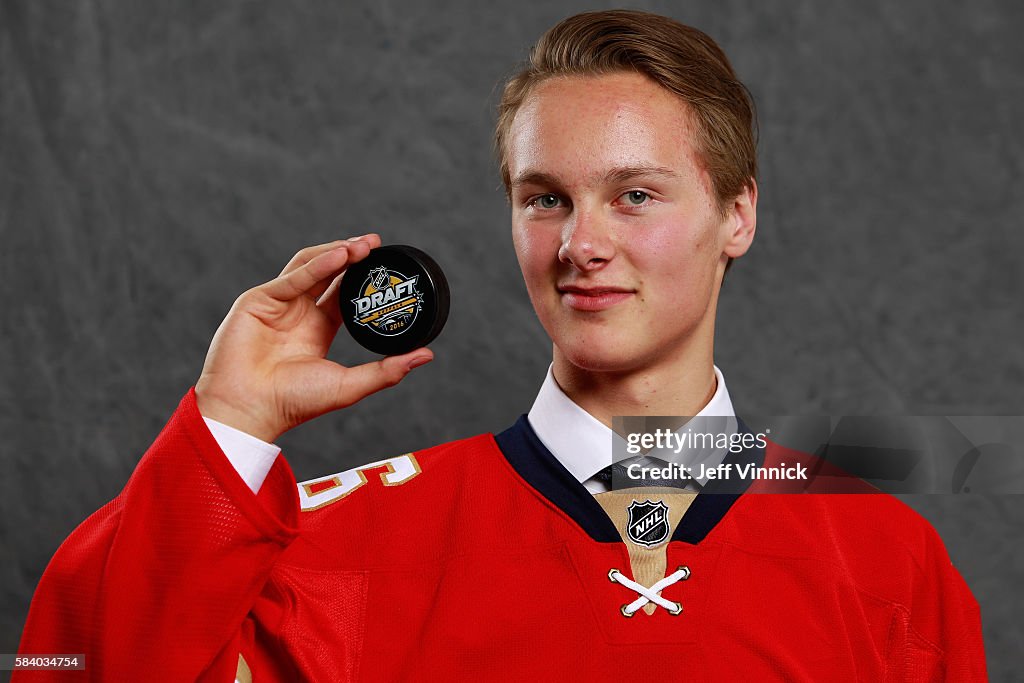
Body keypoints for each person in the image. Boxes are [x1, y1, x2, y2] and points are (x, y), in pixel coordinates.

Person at [15, 10, 986, 681]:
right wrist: (229, 429)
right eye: (544, 198)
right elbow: (87, 659)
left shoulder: (886, 559)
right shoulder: (336, 551)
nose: (580, 244)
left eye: (634, 195)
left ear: (736, 216)